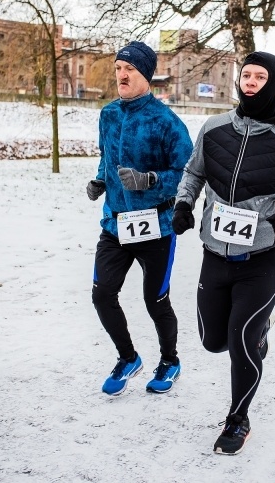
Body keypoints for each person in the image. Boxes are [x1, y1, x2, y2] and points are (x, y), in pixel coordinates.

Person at [172, 52, 275, 454]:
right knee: (211, 341)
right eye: (247, 75)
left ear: (273, 84)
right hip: (215, 254)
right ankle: (258, 336)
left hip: (263, 258)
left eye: (260, 77)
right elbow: (194, 172)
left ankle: (237, 420)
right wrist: (184, 204)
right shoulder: (213, 127)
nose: (251, 82)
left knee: (242, 339)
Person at [85, 41, 193, 396]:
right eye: (118, 69)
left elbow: (188, 174)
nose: (122, 75)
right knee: (102, 295)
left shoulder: (167, 122)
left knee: (155, 300)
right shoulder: (109, 114)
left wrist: (151, 181)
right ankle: (128, 357)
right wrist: (101, 179)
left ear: (145, 74)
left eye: (129, 69)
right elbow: (107, 157)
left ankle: (169, 360)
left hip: (155, 226)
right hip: (115, 224)